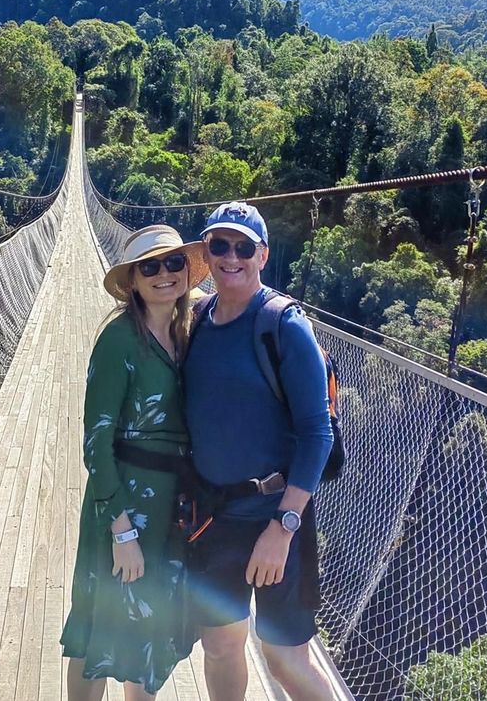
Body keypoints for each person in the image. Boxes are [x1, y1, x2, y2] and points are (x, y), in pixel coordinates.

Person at [183, 202, 335, 700]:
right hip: (215, 518)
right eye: (219, 245)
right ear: (206, 252)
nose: (231, 257)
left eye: (243, 247)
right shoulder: (197, 318)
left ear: (262, 255)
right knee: (222, 644)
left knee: (285, 658)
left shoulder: (284, 325)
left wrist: (283, 528)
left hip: (274, 517)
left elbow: (317, 433)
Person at [62, 225, 210, 700]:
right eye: (149, 267)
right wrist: (122, 532)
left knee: (144, 631)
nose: (163, 274)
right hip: (122, 506)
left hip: (169, 508)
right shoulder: (119, 341)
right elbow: (95, 445)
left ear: (187, 270)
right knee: (99, 628)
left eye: (173, 263)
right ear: (132, 281)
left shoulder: (190, 333)